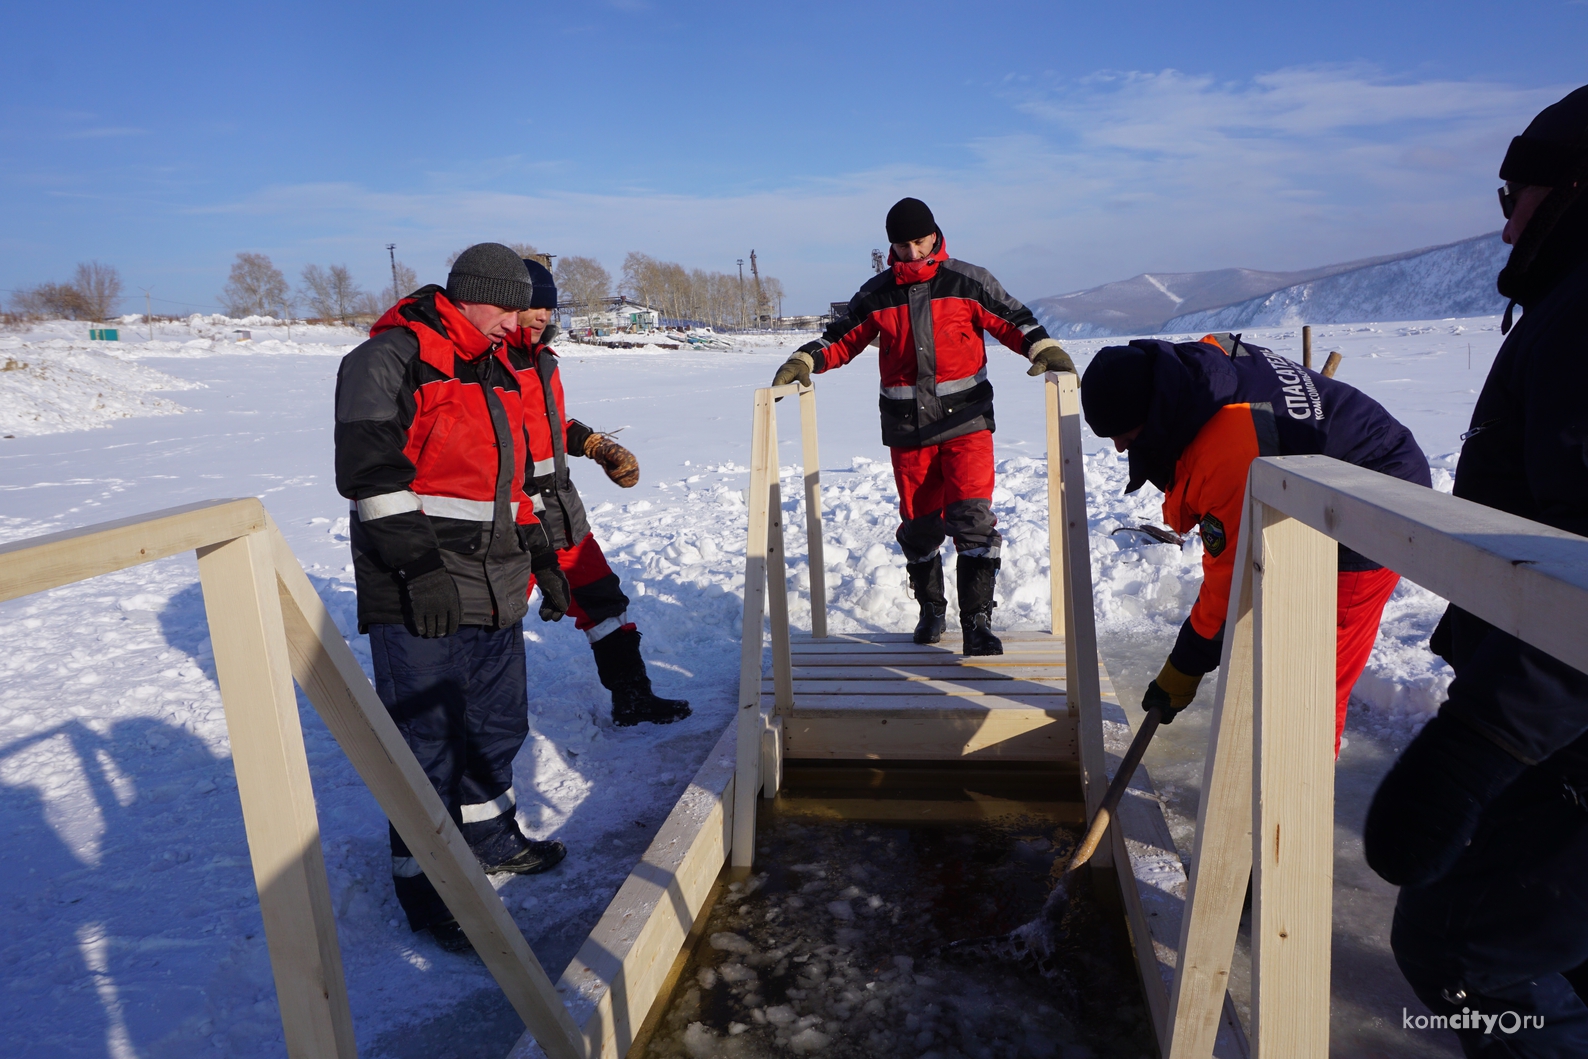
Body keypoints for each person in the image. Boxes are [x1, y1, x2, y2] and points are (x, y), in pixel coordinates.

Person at [1363, 85, 1588, 1056]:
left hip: (1560, 716)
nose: (1502, 231)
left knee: (1462, 948)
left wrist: (1481, 744)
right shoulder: (1565, 303)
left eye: (1513, 197)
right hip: (1559, 706)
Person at [334, 243, 575, 952]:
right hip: (421, 587)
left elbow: (509, 485)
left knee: (496, 725)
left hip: (493, 580)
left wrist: (543, 558)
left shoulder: (494, 366)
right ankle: (428, 887)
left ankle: (493, 838)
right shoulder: (387, 360)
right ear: (467, 296)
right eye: (506, 307)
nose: (517, 321)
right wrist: (418, 570)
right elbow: (370, 475)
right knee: (425, 743)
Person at [1079, 331, 1431, 753]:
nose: (1119, 448)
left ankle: (1302, 793)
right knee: (1276, 631)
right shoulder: (1192, 371)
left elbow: (1228, 585)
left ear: (1152, 412)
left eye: (1124, 433)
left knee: (1316, 676)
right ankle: (1261, 764)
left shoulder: (1227, 449)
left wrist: (1184, 667)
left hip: (1378, 498)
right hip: (1312, 482)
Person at [770, 197, 1075, 654]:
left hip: (967, 423)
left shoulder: (968, 281)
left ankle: (977, 623)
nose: (912, 252)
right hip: (907, 432)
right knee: (920, 527)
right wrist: (804, 359)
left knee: (972, 518)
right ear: (891, 246)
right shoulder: (877, 294)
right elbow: (841, 338)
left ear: (935, 235)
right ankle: (932, 609)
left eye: (919, 241)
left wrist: (1044, 350)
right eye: (902, 244)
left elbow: (1013, 319)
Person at [505, 259, 691, 726]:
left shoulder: (543, 362)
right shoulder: (490, 364)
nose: (541, 316)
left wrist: (592, 443)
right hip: (511, 520)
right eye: (532, 307)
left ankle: (633, 698)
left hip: (560, 511)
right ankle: (474, 727)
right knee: (493, 619)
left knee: (603, 599)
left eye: (548, 307)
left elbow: (546, 429)